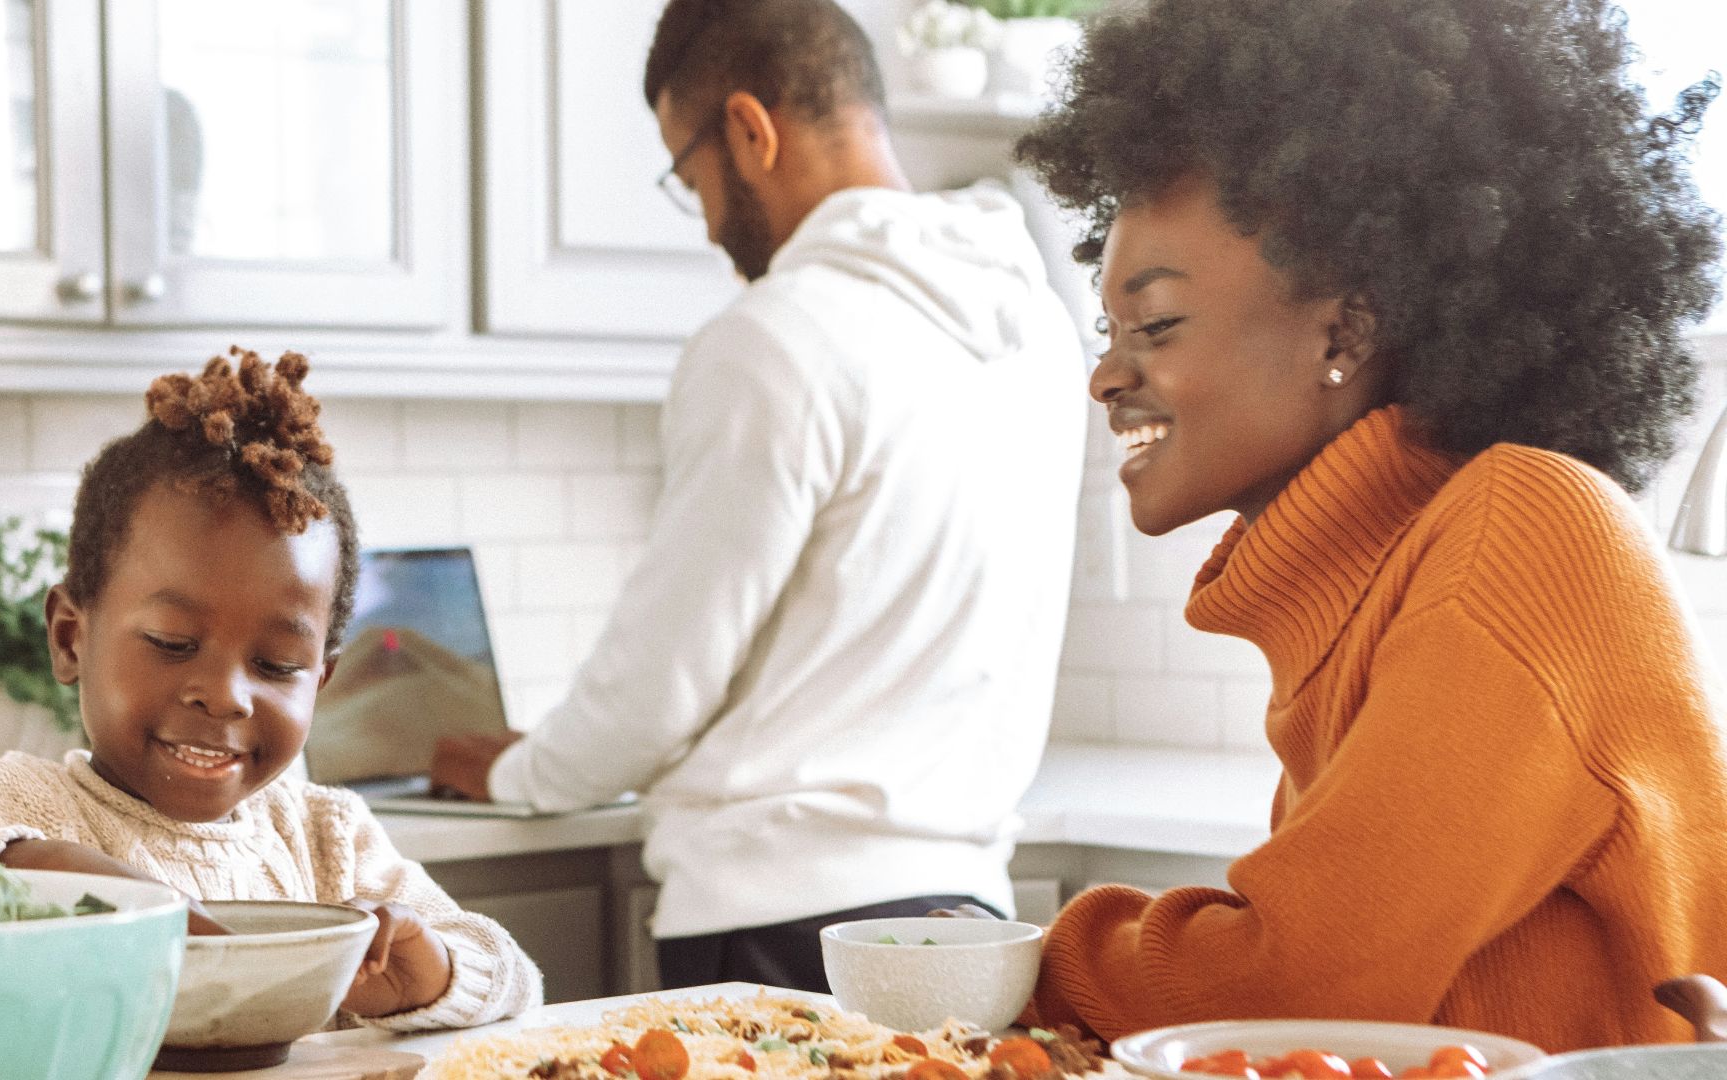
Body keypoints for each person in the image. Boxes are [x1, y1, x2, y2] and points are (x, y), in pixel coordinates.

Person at [1008, 0, 1727, 1053]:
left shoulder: (1523, 531)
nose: (1107, 377)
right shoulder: (1372, 588)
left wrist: (1027, 958)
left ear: (1342, 331)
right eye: (1110, 330)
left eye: (1155, 325)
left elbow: (1291, 983)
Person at [432, 0, 1087, 993]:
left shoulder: (773, 339)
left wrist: (518, 774)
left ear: (749, 128)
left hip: (781, 929)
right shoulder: (1036, 331)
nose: (701, 218)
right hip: (970, 926)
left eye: (688, 173)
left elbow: (660, 681)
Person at [0, 350, 542, 1031]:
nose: (225, 696)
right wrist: (48, 870)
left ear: (321, 680)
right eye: (172, 644)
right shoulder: (24, 809)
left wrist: (433, 975)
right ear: (71, 637)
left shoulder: (326, 839)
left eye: (279, 665)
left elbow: (517, 979)